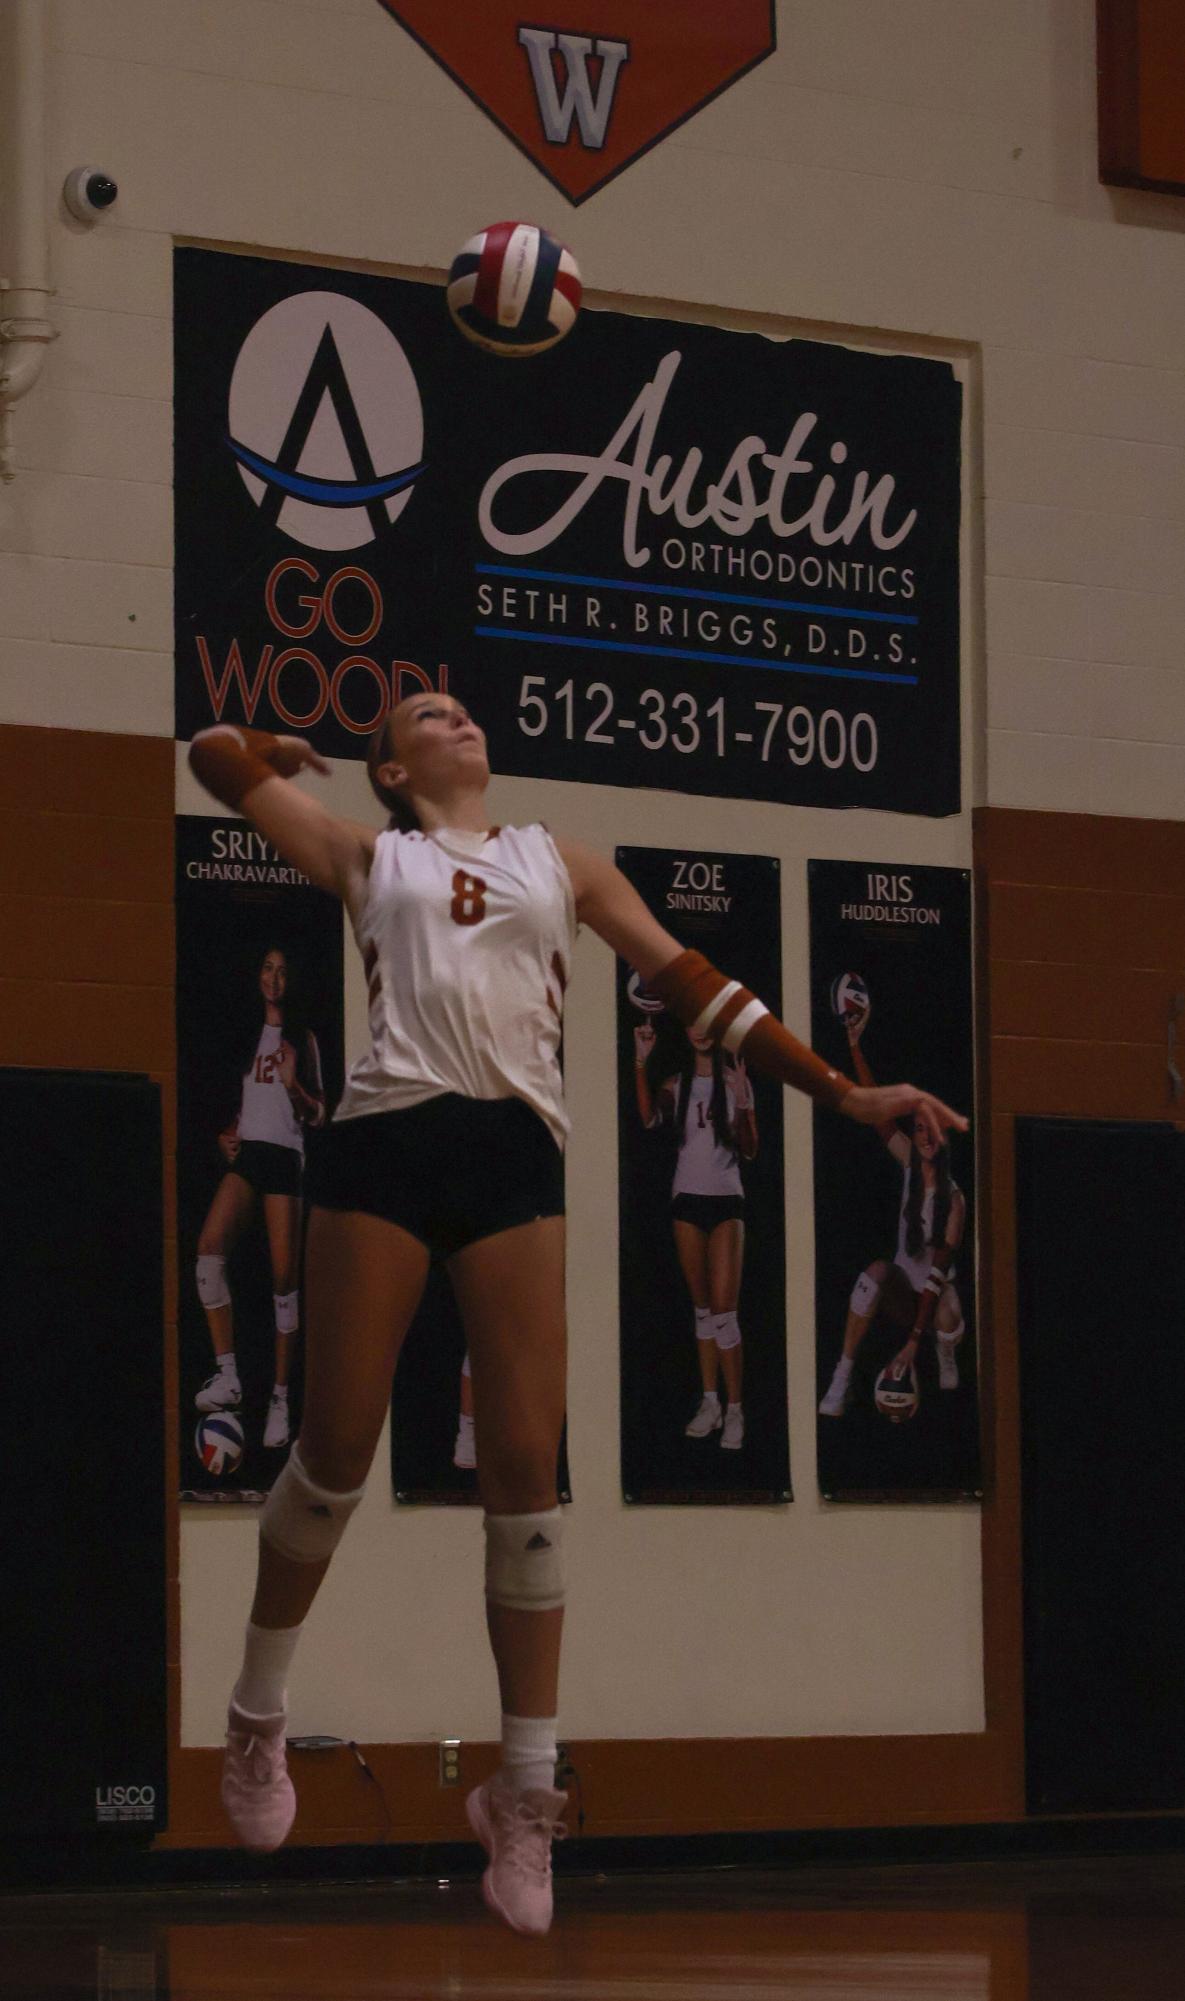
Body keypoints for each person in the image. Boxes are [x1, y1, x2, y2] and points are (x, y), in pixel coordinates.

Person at [188, 691, 966, 1936]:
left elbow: (709, 993)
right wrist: (283, 754)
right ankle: (256, 1717)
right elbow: (212, 756)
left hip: (513, 1154)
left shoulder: (564, 859)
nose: (460, 719)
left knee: (526, 1476)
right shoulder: (363, 850)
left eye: (462, 708)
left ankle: (526, 1786)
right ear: (389, 766)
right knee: (335, 1452)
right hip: (386, 1141)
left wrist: (846, 1095)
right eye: (428, 716)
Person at [194, 943, 325, 1451]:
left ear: (292, 981)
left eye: (283, 971)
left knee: (283, 1282)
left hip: (284, 1161)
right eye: (267, 968)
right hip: (249, 1157)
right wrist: (226, 1132)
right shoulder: (247, 1036)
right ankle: (227, 1374)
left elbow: (317, 1115)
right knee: (208, 1250)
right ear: (258, 976)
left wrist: (294, 1086)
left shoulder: (303, 1040)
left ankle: (279, 1398)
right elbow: (243, 1104)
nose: (274, 978)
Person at [818, 985, 966, 1419]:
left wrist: (914, 1340)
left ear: (940, 1138)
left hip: (934, 1298)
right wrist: (854, 1046)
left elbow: (938, 1271)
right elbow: (874, 1111)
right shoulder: (907, 1164)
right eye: (917, 1128)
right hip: (904, 1291)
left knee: (950, 1311)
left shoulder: (954, 1197)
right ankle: (841, 1378)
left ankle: (945, 1352)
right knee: (876, 1272)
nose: (922, 1136)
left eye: (929, 1130)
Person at [634, 1019, 756, 1450]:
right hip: (686, 1199)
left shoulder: (733, 1079)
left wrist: (742, 1104)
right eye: (694, 1023)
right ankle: (711, 1403)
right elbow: (649, 1119)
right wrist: (640, 1062)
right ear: (685, 1031)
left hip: (726, 1202)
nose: (700, 1030)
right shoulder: (677, 1083)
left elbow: (750, 1148)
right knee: (703, 1310)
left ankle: (736, 1409)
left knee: (725, 1312)